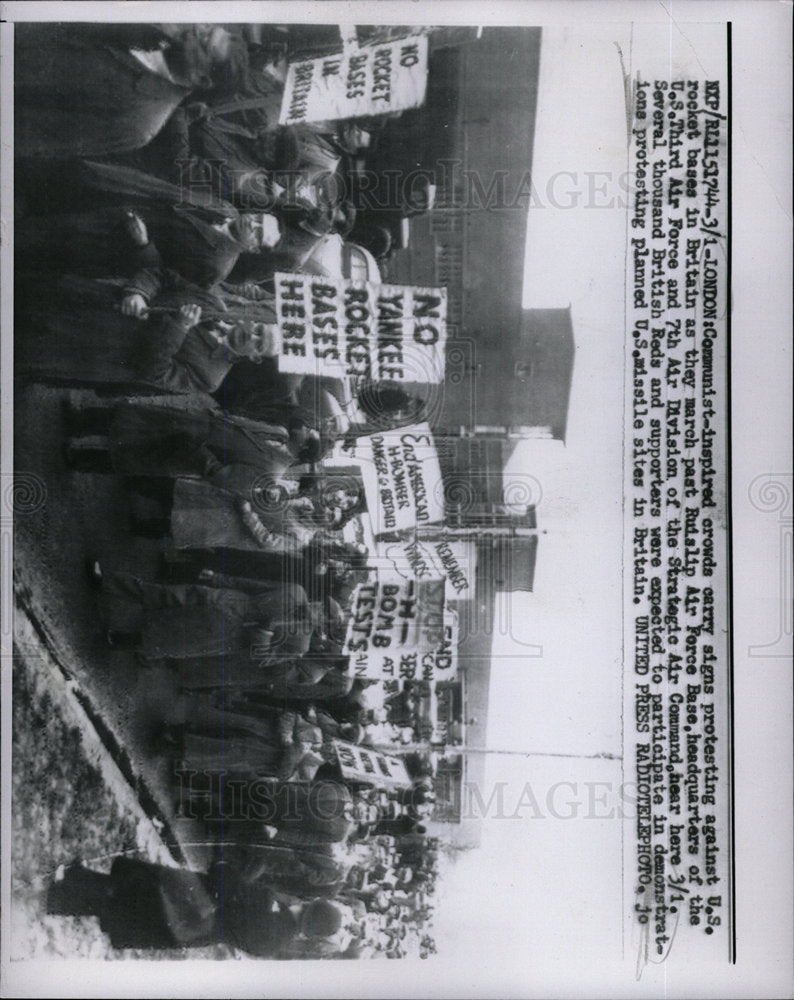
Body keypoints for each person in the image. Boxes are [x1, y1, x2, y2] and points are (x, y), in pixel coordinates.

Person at [15, 272, 278, 393]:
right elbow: (163, 276)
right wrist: (138, 292)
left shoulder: (211, 377)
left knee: (17, 348)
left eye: (258, 345)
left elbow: (153, 372)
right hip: (95, 304)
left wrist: (179, 327)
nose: (251, 336)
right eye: (258, 330)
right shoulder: (213, 303)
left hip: (89, 348)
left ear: (255, 358)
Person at [46, 855, 298, 955]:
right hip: (199, 931)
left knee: (131, 894)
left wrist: (224, 865)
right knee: (130, 908)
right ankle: (75, 881)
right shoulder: (276, 944)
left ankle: (63, 895)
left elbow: (230, 888)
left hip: (196, 900)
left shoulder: (271, 903)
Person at [62, 398, 320, 478]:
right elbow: (243, 423)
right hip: (197, 425)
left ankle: (79, 459)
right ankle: (79, 422)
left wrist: (199, 453)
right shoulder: (280, 433)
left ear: (304, 445)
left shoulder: (272, 472)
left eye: (308, 432)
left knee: (137, 456)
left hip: (190, 451)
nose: (304, 427)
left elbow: (225, 478)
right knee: (135, 419)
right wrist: (219, 416)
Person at [101, 572, 316, 661]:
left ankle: (118, 640)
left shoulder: (299, 645)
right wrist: (218, 578)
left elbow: (263, 657)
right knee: (165, 595)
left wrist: (265, 632)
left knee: (172, 639)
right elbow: (251, 585)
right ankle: (107, 582)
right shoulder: (295, 591)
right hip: (223, 600)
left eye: (323, 615)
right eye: (323, 606)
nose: (318, 609)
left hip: (225, 634)